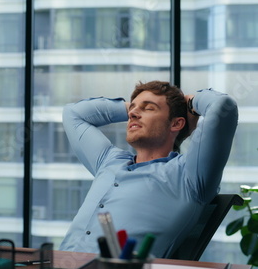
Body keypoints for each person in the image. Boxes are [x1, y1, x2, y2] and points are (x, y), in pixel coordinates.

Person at [59, 80, 238, 258]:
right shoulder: (109, 161)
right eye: (132, 109)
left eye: (149, 108)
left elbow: (223, 106)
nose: (133, 114)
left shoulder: (187, 175)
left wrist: (190, 102)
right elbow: (72, 113)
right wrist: (133, 108)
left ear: (176, 124)